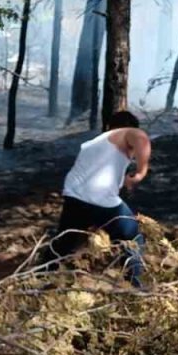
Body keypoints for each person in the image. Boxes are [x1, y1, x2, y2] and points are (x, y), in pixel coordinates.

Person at [56, 110, 152, 288]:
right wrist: (140, 173)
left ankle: (39, 278)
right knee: (133, 236)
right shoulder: (126, 132)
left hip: (73, 193)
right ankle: (136, 287)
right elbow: (141, 137)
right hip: (97, 196)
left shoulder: (94, 143)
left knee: (64, 242)